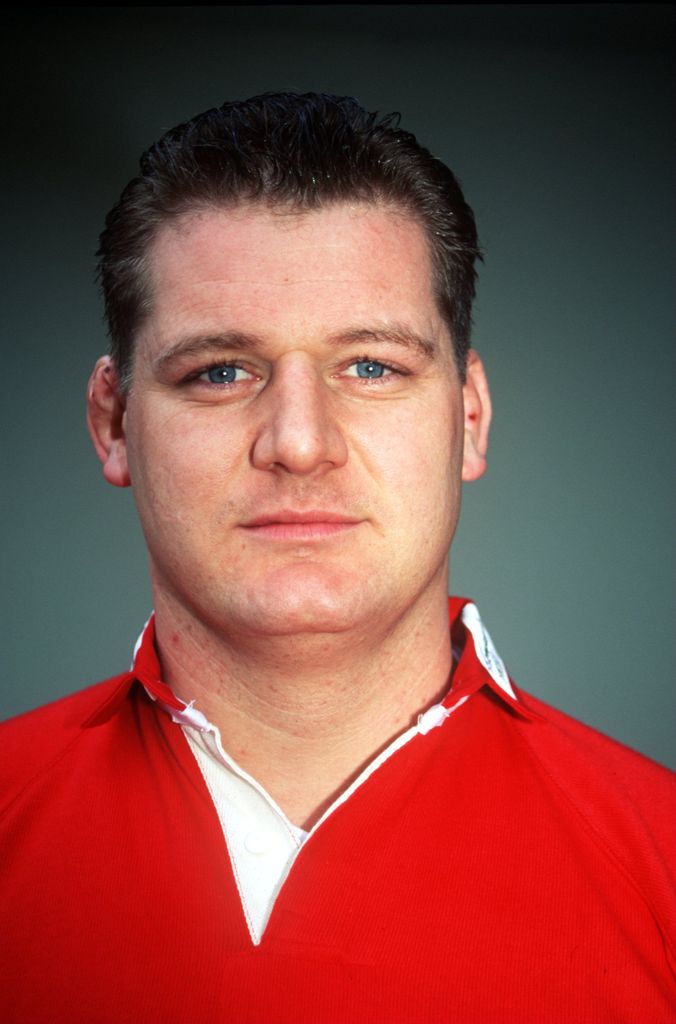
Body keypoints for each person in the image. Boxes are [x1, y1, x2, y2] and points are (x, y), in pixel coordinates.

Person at [1, 92, 673, 1023]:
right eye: (220, 372)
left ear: (468, 417)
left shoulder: (663, 859)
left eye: (371, 367)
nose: (301, 443)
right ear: (114, 423)